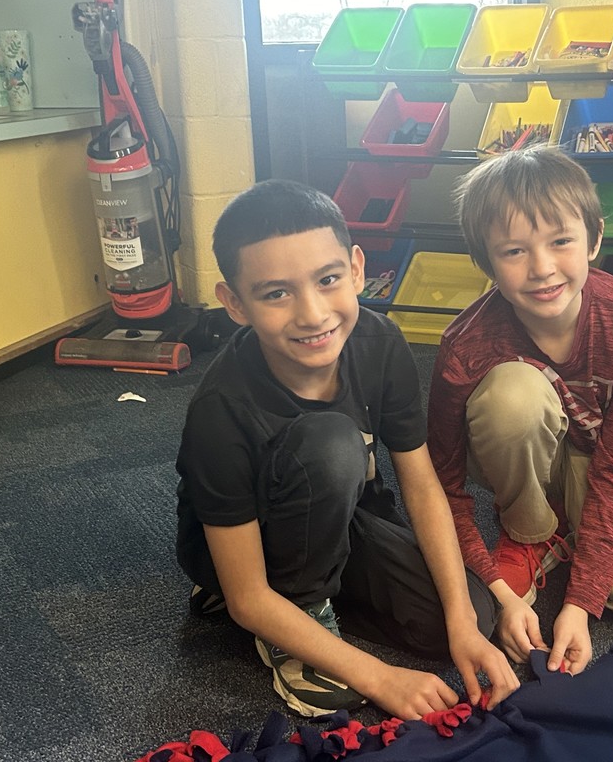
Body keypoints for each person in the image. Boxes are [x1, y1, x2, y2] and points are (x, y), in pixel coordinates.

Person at [175, 179, 518, 720]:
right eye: (275, 293)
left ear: (357, 269)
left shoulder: (381, 343)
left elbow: (421, 482)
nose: (312, 314)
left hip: (340, 513)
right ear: (235, 304)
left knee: (465, 615)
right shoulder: (221, 410)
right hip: (239, 552)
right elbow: (248, 595)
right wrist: (378, 675)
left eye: (328, 279)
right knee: (332, 444)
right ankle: (295, 623)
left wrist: (460, 619)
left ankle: (312, 593)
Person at [427, 146, 613, 677]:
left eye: (561, 242)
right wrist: (499, 592)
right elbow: (442, 482)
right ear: (487, 262)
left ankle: (574, 531)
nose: (542, 268)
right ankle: (529, 531)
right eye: (514, 252)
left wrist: (579, 606)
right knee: (512, 397)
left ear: (594, 239)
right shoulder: (464, 343)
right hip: (517, 453)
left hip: (604, 462)